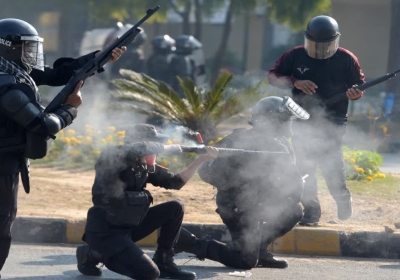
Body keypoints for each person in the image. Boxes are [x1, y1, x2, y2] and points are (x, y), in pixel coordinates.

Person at [0, 18, 126, 277]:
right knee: (1, 229)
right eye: (26, 47)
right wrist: (70, 108)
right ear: (7, 47)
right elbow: (42, 125)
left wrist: (101, 56)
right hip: (2, 166)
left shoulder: (14, 70)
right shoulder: (6, 84)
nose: (32, 54)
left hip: (8, 163)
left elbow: (59, 74)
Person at [174, 96, 309, 269]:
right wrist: (237, 181)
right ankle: (188, 243)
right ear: (273, 120)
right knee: (244, 262)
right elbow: (205, 170)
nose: (288, 123)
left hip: (260, 202)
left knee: (293, 210)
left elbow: (293, 182)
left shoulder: (280, 144)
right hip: (238, 207)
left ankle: (259, 249)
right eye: (285, 119)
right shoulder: (239, 140)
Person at [76, 124, 218, 280]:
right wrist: (167, 147)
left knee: (175, 207)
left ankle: (164, 261)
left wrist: (200, 159)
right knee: (149, 274)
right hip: (106, 231)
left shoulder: (143, 166)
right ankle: (97, 254)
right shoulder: (113, 155)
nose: (156, 152)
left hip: (128, 226)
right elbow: (137, 148)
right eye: (154, 145)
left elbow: (176, 182)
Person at [267, 15, 365, 226]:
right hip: (302, 119)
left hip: (334, 120)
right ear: (306, 39)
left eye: (325, 45)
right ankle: (311, 211)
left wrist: (356, 92)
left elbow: (359, 84)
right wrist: (296, 81)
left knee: (332, 165)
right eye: (314, 45)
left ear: (335, 40)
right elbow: (273, 76)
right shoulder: (294, 56)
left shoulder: (347, 59)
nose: (319, 49)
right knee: (303, 168)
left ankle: (342, 198)